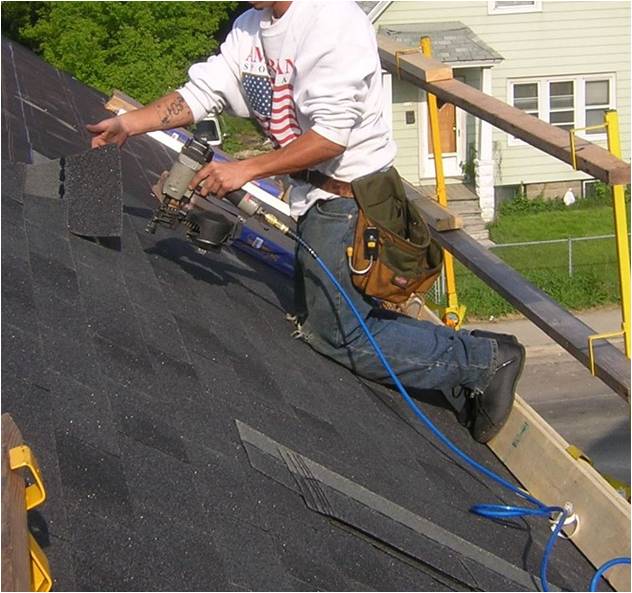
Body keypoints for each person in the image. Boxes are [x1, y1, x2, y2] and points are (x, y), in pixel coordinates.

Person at [87, 0, 525, 443]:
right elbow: (203, 93)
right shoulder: (250, 27)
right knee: (324, 313)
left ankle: (484, 361)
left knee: (338, 335)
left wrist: (245, 169)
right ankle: (462, 359)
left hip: (352, 203)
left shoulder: (333, 20)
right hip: (313, 199)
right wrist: (130, 123)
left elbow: (331, 138)